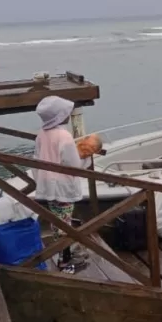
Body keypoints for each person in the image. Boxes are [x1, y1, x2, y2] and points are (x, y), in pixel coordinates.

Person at [33, 96, 102, 273]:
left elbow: (37, 157)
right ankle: (66, 261)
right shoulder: (64, 135)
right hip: (62, 186)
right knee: (65, 223)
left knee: (57, 221)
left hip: (47, 185)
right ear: (60, 116)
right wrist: (87, 155)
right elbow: (74, 165)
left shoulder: (42, 133)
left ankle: (62, 254)